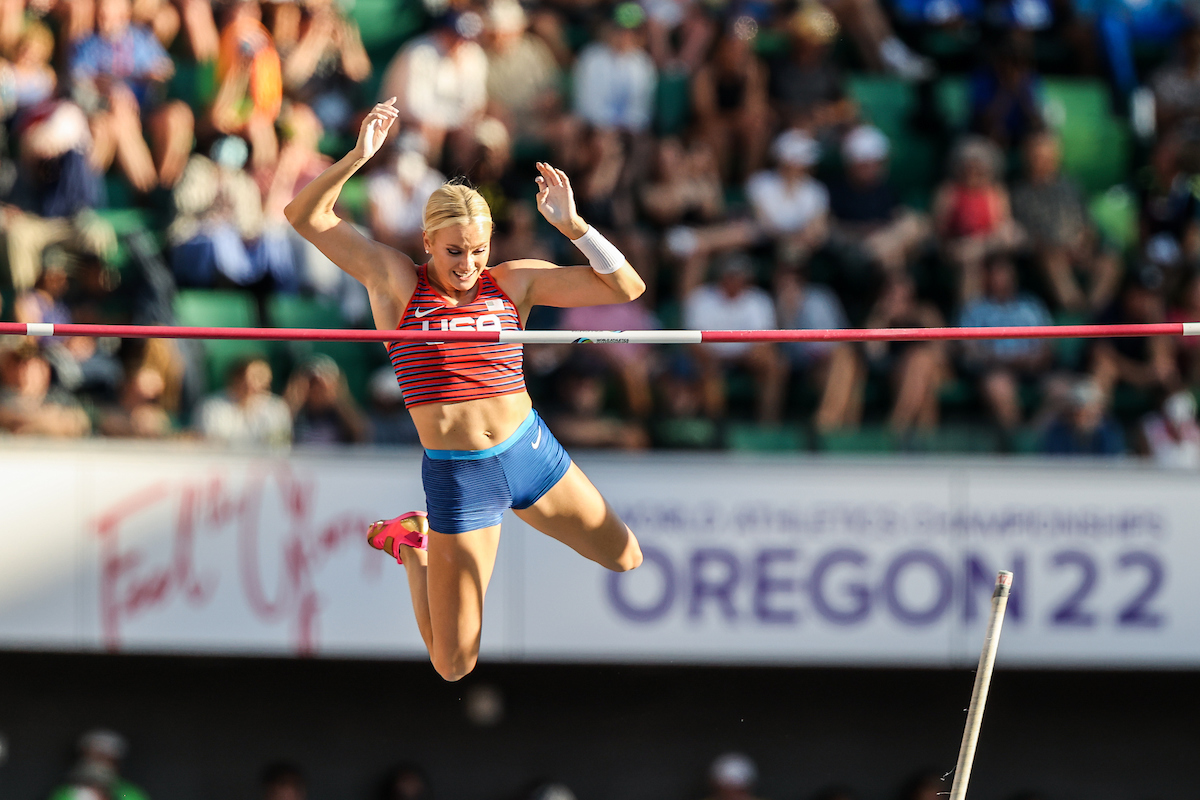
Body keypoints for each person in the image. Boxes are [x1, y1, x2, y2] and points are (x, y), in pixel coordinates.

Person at [285, 99, 644, 681]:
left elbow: (625, 287)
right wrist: (356, 157)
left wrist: (575, 228)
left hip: (530, 453)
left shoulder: (512, 282)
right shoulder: (394, 280)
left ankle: (509, 517)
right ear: (429, 243)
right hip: (461, 476)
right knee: (454, 665)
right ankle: (410, 545)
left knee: (626, 557)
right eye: (455, 251)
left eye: (479, 250)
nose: (469, 265)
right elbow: (304, 215)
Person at [1010, 131, 1122, 314]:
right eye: (1038, 157)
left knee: (1110, 261)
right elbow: (1024, 233)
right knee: (1052, 258)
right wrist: (1059, 247)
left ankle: (1092, 313)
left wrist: (1084, 246)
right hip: (1046, 254)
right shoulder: (1020, 193)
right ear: (1028, 157)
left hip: (1079, 249)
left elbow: (1088, 223)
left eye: (1049, 156)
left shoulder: (1070, 186)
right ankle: (1074, 310)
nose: (1044, 162)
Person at [682, 254, 787, 423]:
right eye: (731, 274)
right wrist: (715, 358)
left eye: (739, 275)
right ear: (722, 276)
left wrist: (744, 356)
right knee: (706, 364)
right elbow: (694, 341)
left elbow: (765, 341)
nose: (735, 279)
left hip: (747, 357)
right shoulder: (701, 298)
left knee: (775, 364)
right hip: (711, 357)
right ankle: (718, 426)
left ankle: (768, 423)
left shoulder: (758, 300)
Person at [958, 253, 1053, 436]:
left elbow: (1047, 349)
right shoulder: (975, 308)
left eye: (1004, 272)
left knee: (1064, 390)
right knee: (998, 387)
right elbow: (969, 350)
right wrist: (1004, 360)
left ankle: (1031, 437)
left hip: (1032, 371)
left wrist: (1029, 360)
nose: (999, 278)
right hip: (994, 371)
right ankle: (1017, 443)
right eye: (994, 273)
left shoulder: (1032, 306)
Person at [193, 355, 292, 446]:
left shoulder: (277, 408)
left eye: (261, 378)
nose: (254, 385)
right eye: (251, 378)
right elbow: (209, 446)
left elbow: (280, 447)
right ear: (235, 378)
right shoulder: (211, 407)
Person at [47, 729, 150, 800]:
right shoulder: (66, 793)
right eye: (95, 757)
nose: (101, 764)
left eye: (108, 759)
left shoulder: (129, 793)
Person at [1140, 390, 1200, 467]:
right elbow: (1145, 457)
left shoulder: (1196, 433)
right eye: (1173, 423)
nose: (1177, 428)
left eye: (1182, 423)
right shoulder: (1151, 427)